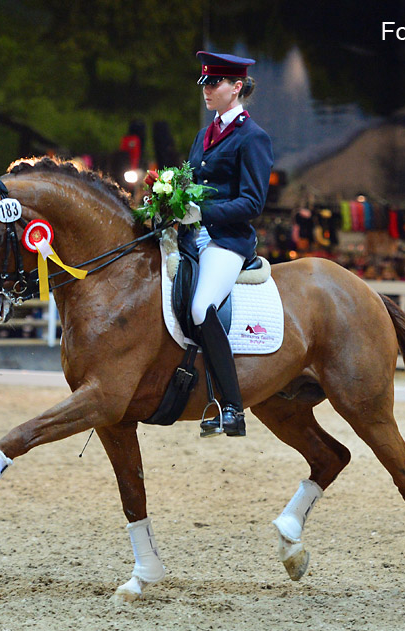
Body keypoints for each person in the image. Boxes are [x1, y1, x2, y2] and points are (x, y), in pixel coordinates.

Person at [180, 50, 274, 437]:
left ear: (236, 88)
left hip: (226, 241)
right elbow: (187, 181)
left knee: (202, 307)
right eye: (205, 83)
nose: (207, 90)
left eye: (214, 83)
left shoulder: (253, 138)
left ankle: (232, 408)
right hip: (189, 235)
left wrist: (203, 213)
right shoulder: (205, 134)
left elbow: (252, 202)